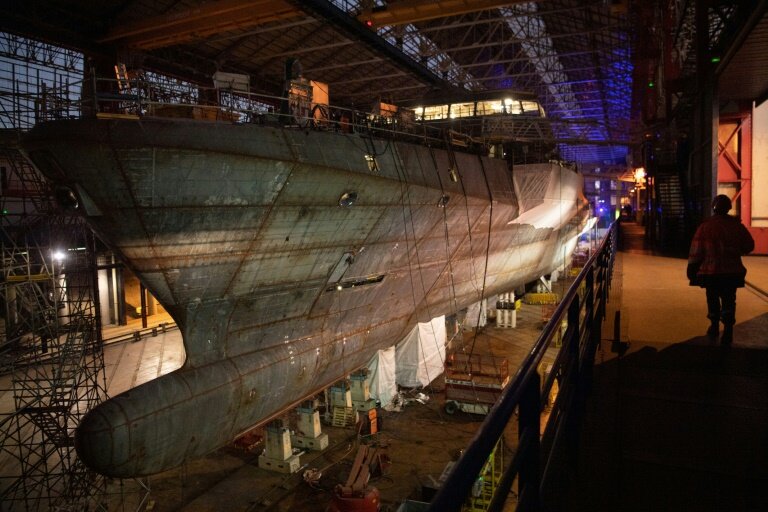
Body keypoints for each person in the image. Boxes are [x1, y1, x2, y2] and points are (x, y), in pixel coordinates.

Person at [687, 194, 754, 344]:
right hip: (732, 273)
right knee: (729, 300)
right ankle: (728, 330)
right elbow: (749, 245)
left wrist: (691, 270)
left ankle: (714, 326)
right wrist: (737, 251)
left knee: (712, 298)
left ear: (713, 207)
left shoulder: (706, 226)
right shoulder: (737, 226)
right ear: (728, 208)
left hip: (712, 273)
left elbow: (697, 250)